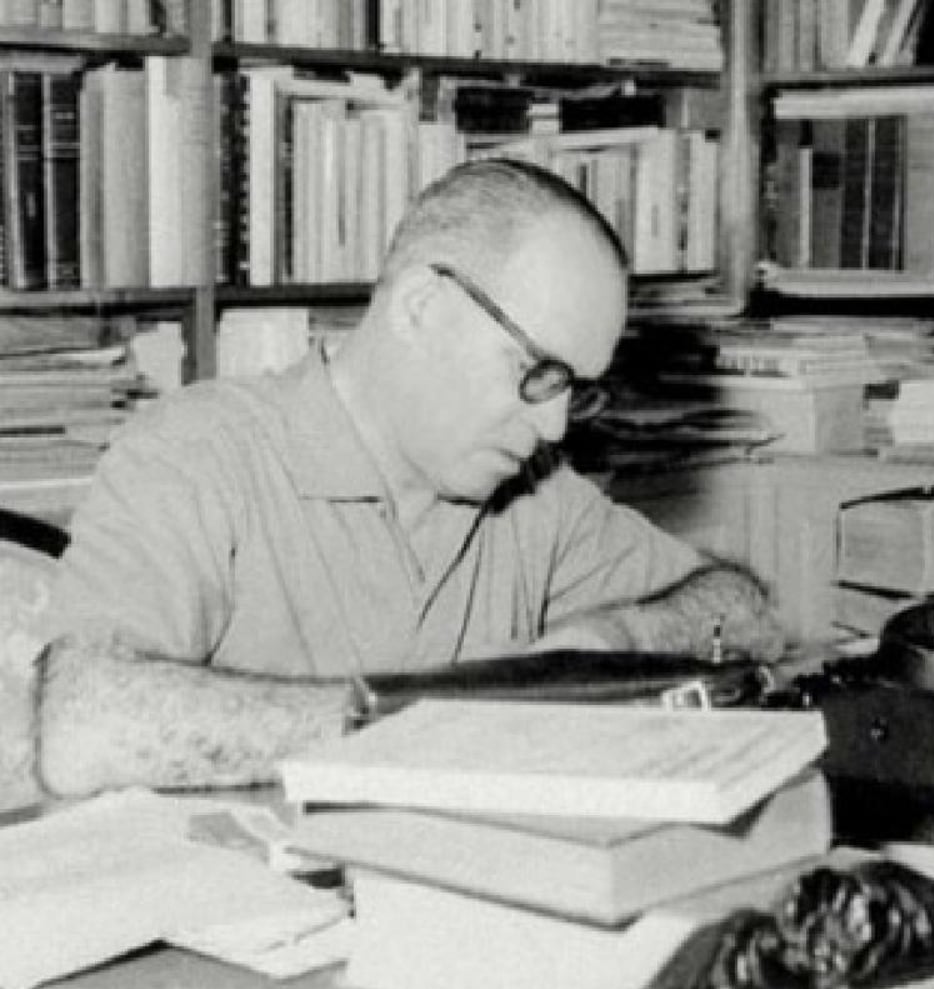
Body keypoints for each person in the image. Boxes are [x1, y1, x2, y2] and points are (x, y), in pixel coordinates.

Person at [36, 159, 783, 798]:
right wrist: (431, 722)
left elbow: (744, 609)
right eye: (538, 373)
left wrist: (616, 637)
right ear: (422, 307)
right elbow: (81, 729)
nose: (556, 426)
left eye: (575, 390)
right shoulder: (197, 453)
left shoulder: (536, 493)